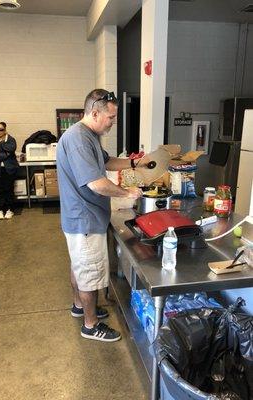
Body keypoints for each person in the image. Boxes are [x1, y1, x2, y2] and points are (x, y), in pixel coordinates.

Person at [57, 89, 151, 342]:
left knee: (80, 267)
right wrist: (126, 192)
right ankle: (90, 325)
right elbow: (96, 184)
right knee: (88, 274)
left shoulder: (89, 136)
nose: (112, 122)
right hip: (84, 219)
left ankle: (80, 307)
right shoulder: (78, 138)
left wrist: (135, 163)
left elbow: (107, 162)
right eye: (110, 117)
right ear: (95, 112)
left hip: (82, 218)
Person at [0, 122, 19, 220]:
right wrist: (4, 154)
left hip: (9, 169)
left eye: (1, 129)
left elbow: (11, 148)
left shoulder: (11, 139)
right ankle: (0, 210)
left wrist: (0, 147)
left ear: (5, 130)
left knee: (8, 189)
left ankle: (10, 209)